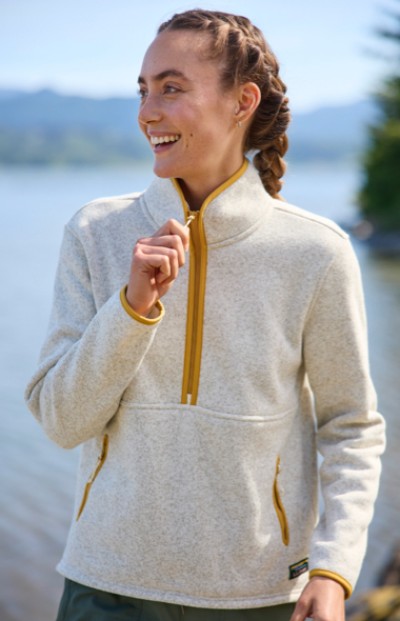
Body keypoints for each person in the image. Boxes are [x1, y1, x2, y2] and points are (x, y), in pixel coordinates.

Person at [25, 9, 386, 621]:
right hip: (105, 586)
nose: (147, 111)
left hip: (260, 596)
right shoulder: (95, 232)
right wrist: (132, 308)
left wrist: (333, 567)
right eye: (142, 90)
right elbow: (62, 422)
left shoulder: (316, 252)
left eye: (171, 87)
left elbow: (351, 425)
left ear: (241, 101)